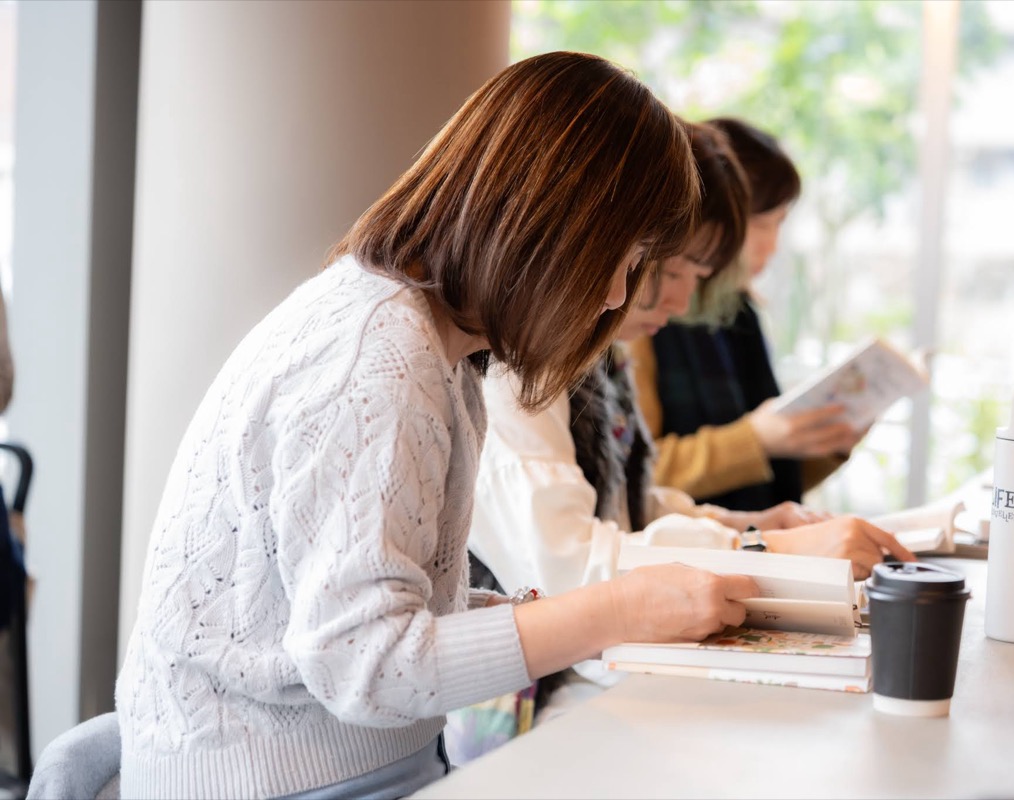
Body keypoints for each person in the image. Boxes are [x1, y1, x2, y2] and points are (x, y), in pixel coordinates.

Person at [114, 52, 762, 800]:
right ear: (551, 224)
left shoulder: (429, 341)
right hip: (280, 781)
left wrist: (556, 612)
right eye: (624, 260)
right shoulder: (379, 361)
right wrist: (613, 608)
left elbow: (383, 614)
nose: (619, 293)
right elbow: (368, 663)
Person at [466, 121, 914, 724]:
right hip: (527, 706)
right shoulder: (513, 371)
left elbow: (623, 501)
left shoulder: (596, 356)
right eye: (668, 273)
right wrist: (759, 545)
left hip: (593, 680)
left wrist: (743, 523)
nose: (677, 303)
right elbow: (569, 572)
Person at [630, 117, 867, 513]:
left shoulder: (739, 313)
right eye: (762, 224)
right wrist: (755, 439)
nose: (771, 246)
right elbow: (632, 475)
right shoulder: (636, 317)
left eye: (780, 225)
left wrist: (825, 442)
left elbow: (764, 479)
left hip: (748, 543)